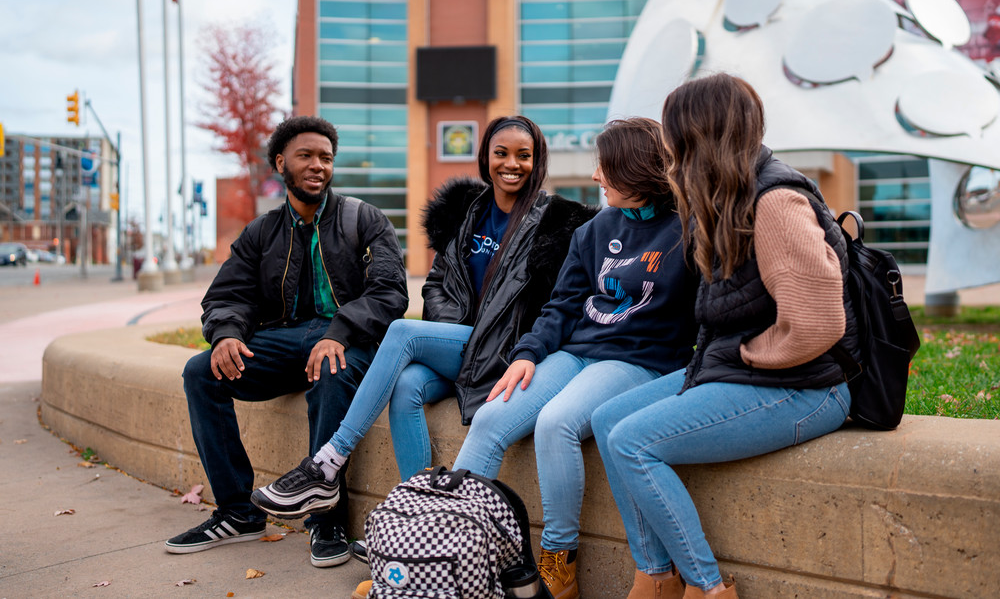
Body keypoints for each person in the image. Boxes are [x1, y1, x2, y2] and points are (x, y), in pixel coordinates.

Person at [592, 73, 859, 599]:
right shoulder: (725, 198)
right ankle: (655, 575)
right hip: (748, 374)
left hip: (806, 386)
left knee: (633, 441)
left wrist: (744, 354)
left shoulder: (775, 201)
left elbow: (818, 324)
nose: (665, 152)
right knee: (607, 419)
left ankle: (709, 589)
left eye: (672, 138)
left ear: (698, 138)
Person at [250, 115, 595, 515]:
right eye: (501, 153)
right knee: (407, 384)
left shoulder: (557, 223)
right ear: (486, 157)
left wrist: (464, 337)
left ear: (538, 161)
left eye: (524, 155)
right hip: (463, 342)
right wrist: (450, 330)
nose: (511, 164)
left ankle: (327, 463)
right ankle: (419, 513)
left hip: (507, 351)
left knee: (402, 332)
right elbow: (436, 284)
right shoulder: (469, 213)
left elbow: (559, 305)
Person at [450, 117, 699, 599]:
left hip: (637, 361)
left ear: (633, 169)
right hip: (574, 352)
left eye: (604, 167)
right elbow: (562, 305)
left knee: (556, 422)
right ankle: (445, 548)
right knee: (490, 419)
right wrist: (526, 355)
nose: (595, 178)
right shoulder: (594, 229)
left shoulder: (687, 230)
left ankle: (559, 565)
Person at [164, 116, 409, 569]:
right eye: (307, 156)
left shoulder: (364, 218)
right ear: (282, 163)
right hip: (282, 341)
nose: (318, 165)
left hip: (347, 339)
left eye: (326, 158)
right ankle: (239, 512)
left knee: (331, 369)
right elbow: (227, 296)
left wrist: (339, 331)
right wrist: (226, 336)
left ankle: (326, 518)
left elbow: (390, 292)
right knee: (201, 372)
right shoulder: (262, 232)